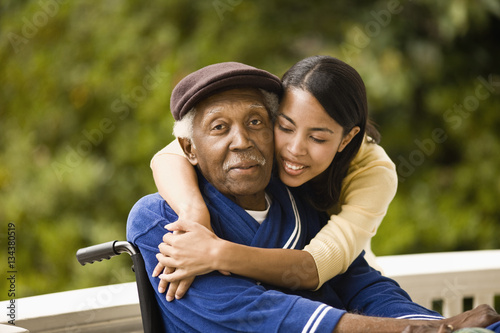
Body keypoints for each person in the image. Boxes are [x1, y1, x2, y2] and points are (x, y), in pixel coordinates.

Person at [126, 61, 500, 332]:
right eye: (220, 127)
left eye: (255, 122)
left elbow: (360, 282)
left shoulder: (301, 199)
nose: (242, 140)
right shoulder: (160, 218)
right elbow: (254, 315)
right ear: (189, 148)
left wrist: (434, 324)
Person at [151, 56, 397, 301]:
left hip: (341, 278)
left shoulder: (374, 171)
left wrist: (214, 252)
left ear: (347, 138)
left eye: (318, 138)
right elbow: (171, 156)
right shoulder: (253, 134)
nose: (295, 149)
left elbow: (315, 266)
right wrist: (195, 216)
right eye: (286, 127)